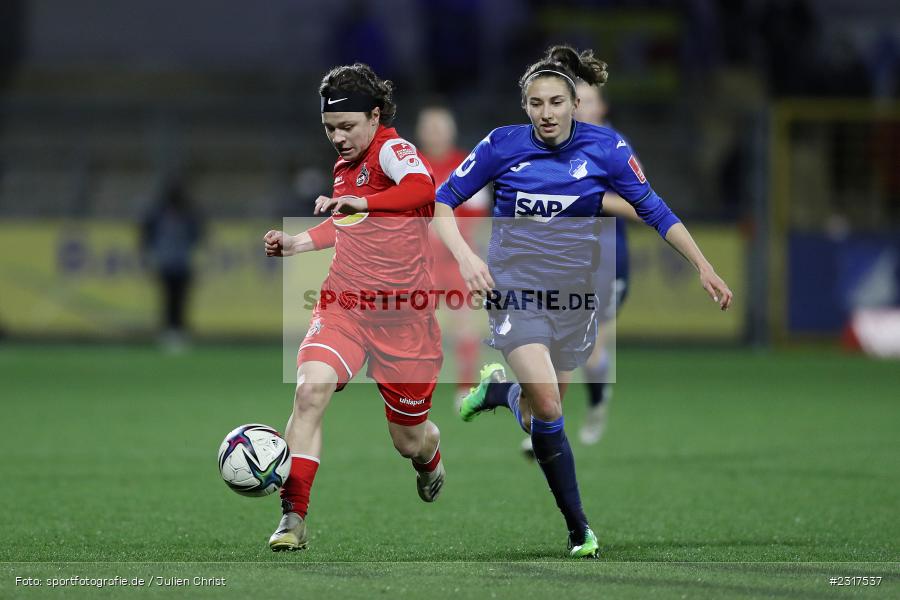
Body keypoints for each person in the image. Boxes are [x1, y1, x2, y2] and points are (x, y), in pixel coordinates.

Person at [432, 45, 733, 558]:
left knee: (540, 414)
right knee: (549, 405)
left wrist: (702, 265)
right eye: (535, 103)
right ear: (524, 105)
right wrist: (464, 255)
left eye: (555, 102)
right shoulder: (502, 145)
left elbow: (656, 210)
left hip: (574, 297)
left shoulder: (607, 148)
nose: (545, 113)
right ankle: (579, 529)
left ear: (576, 103)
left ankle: (498, 395)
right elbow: (442, 200)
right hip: (514, 291)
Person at [263, 63, 445, 551]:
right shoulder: (346, 165)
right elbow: (349, 222)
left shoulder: (393, 149)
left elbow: (423, 189)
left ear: (375, 115)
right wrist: (297, 243)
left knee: (408, 439)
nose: (338, 138)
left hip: (406, 320)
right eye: (329, 129)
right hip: (345, 303)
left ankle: (430, 456)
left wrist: (365, 203)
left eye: (346, 127)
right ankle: (293, 517)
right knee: (309, 392)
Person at [415, 105, 490, 396]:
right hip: (420, 263)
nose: (435, 132)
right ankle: (414, 390)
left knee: (465, 324)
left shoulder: (466, 164)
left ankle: (466, 387)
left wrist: (449, 234)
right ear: (421, 131)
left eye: (440, 126)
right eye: (430, 126)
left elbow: (477, 210)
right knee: (416, 326)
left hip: (457, 261)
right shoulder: (411, 166)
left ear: (451, 130)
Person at [140, 175, 204, 352]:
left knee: (180, 299)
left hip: (181, 262)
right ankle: (168, 332)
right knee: (169, 299)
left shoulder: (187, 213)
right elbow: (146, 234)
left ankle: (179, 331)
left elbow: (198, 234)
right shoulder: (159, 213)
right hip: (167, 263)